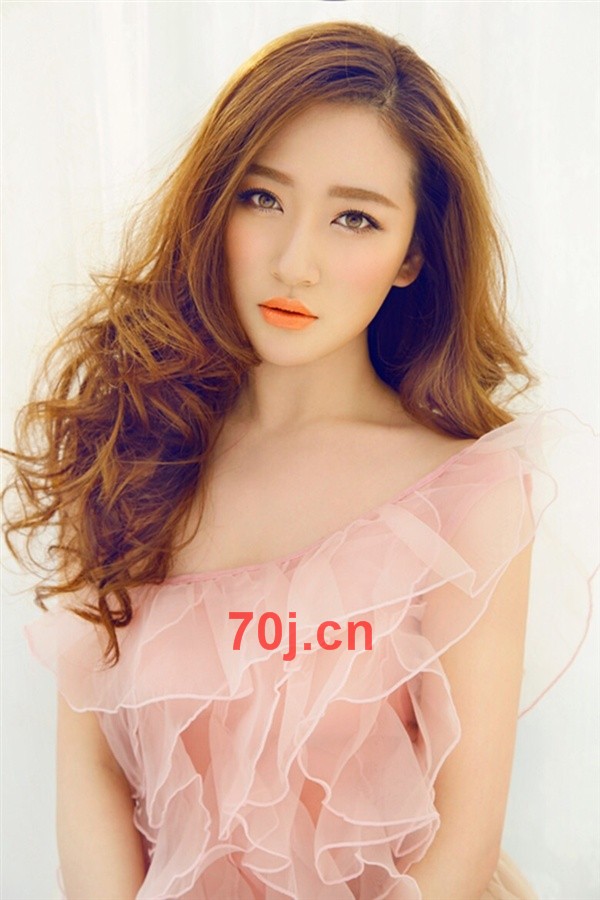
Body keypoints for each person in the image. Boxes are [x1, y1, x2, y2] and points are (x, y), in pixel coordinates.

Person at [3, 19, 597, 900]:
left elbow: (462, 846)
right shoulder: (132, 445)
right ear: (214, 205)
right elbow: (91, 774)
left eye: (355, 217)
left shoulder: (466, 495)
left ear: (413, 253)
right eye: (261, 198)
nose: (295, 263)